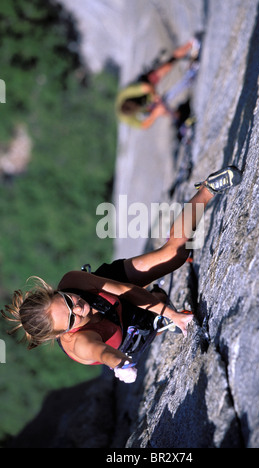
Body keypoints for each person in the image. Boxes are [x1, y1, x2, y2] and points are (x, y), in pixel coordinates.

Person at [1, 166, 242, 383]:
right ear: (63, 333)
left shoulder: (73, 282)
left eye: (67, 300)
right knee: (157, 305)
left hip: (112, 285)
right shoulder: (80, 343)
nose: (79, 308)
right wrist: (120, 364)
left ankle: (207, 189)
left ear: (57, 291)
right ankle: (158, 311)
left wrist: (174, 315)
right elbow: (103, 353)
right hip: (127, 329)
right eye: (72, 318)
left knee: (174, 255)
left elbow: (125, 291)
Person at [115, 36, 202, 130]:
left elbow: (146, 87)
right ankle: (183, 116)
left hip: (145, 82)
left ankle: (191, 43)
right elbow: (144, 125)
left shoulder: (125, 94)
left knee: (167, 66)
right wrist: (155, 114)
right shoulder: (127, 118)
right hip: (148, 102)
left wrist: (154, 96)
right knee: (164, 110)